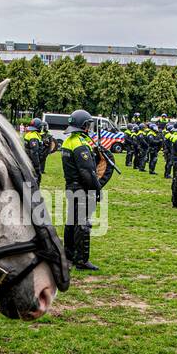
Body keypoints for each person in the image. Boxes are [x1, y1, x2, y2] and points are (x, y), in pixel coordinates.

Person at [61, 109, 102, 271]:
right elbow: (88, 172)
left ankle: (69, 253)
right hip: (82, 189)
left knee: (71, 221)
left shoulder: (68, 141)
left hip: (71, 186)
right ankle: (82, 260)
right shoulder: (80, 144)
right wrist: (97, 189)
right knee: (83, 224)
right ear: (83, 125)